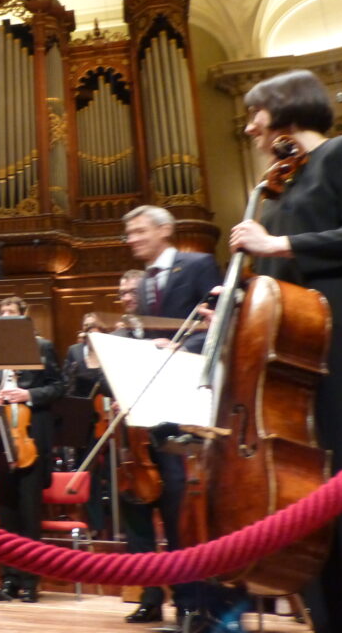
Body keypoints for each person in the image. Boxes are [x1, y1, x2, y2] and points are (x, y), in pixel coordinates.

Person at [229, 69, 342, 633]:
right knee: (315, 510)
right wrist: (240, 298)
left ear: (283, 109)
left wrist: (273, 243)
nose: (250, 128)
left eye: (254, 114)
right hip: (302, 361)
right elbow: (284, 280)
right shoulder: (281, 190)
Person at [120, 207, 221, 628]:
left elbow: (221, 325)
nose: (131, 239)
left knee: (181, 506)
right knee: (141, 502)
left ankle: (193, 602)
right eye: (128, 233)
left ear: (165, 230)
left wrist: (185, 348)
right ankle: (154, 595)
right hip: (151, 408)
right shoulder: (142, 283)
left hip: (188, 403)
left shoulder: (198, 265)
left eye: (139, 231)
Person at [0, 295, 63, 604]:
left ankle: (30, 581)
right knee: (6, 517)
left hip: (30, 442)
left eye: (12, 312)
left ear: (24, 318)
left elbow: (59, 386)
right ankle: (8, 579)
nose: (6, 316)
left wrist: (28, 393)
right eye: (2, 312)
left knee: (28, 516)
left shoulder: (42, 347)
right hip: (1, 445)